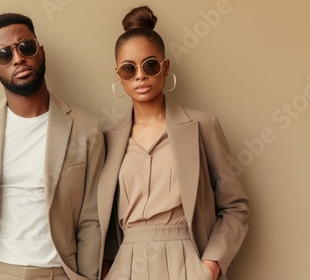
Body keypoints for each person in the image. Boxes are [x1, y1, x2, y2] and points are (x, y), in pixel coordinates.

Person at [0, 12, 105, 280]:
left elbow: (91, 222)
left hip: (57, 273)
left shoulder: (87, 130)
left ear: (41, 52)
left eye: (26, 47)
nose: (18, 59)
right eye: (4, 55)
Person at [97, 6, 249, 280]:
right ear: (118, 75)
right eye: (129, 69)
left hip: (187, 261)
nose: (140, 76)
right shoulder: (107, 138)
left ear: (165, 67)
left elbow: (235, 206)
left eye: (150, 65)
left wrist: (210, 266)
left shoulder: (203, 126)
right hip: (126, 265)